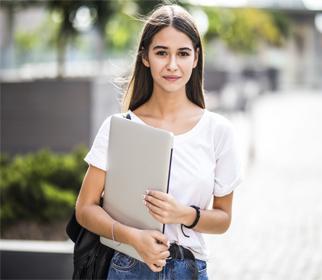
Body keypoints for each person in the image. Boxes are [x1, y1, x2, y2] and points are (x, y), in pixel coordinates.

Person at [75, 4, 242, 280]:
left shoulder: (218, 131)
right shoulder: (120, 127)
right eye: (162, 52)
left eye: (183, 53)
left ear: (196, 58)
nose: (172, 64)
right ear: (145, 57)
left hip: (188, 269)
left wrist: (184, 214)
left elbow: (223, 219)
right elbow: (85, 208)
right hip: (126, 265)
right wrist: (133, 237)